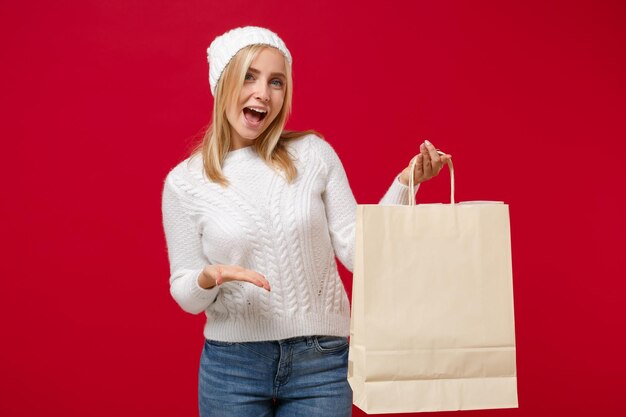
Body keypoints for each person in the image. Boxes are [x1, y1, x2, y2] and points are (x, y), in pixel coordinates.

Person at [161, 26, 451, 417]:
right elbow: (185, 292)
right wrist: (209, 277)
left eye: (276, 81)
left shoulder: (313, 154)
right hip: (233, 366)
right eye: (250, 76)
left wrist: (406, 184)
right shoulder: (185, 183)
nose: (263, 92)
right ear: (222, 83)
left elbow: (357, 250)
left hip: (322, 361)